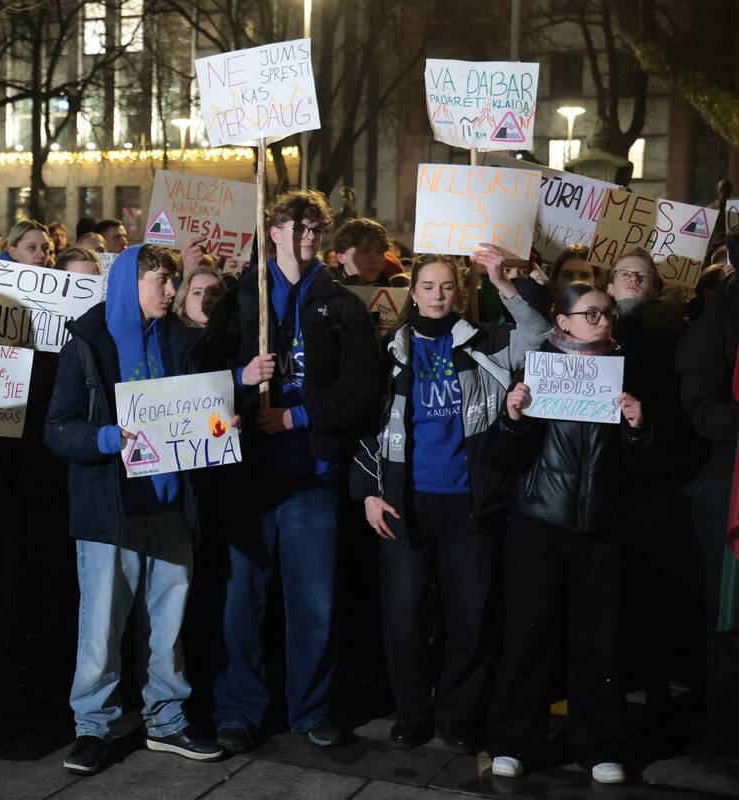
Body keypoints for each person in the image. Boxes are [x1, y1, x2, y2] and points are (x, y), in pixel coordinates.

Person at [204, 190, 384, 753]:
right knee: (242, 601)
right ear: (274, 231)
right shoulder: (240, 299)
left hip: (312, 474)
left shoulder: (342, 305)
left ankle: (311, 709)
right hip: (249, 478)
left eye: (315, 229)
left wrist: (299, 415)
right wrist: (241, 374)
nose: (307, 237)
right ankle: (239, 710)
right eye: (297, 227)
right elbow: (198, 372)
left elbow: (363, 390)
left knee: (314, 602)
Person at [352, 249, 550, 753]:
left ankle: (457, 715)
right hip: (404, 502)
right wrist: (370, 494)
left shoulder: (485, 342)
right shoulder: (388, 351)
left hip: (472, 503)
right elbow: (365, 425)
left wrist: (503, 282)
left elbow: (540, 336)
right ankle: (412, 715)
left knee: (470, 615)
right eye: (428, 286)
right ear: (412, 292)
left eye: (446, 287)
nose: (437, 296)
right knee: (404, 616)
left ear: (459, 292)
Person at [45, 244, 224, 775]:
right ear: (130, 284)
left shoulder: (181, 339)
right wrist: (104, 437)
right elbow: (58, 427)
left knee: (167, 624)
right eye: (162, 282)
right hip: (111, 509)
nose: (172, 292)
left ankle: (167, 720)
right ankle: (94, 726)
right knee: (101, 627)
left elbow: (199, 411)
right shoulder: (87, 341)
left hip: (169, 505)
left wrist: (221, 426)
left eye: (173, 281)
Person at [484, 283, 652, 783]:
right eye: (592, 313)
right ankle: (515, 740)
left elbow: (644, 464)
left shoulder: (627, 367)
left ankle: (599, 744)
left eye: (607, 313)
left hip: (602, 529)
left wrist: (640, 426)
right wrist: (513, 417)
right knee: (529, 636)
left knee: (597, 642)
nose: (603, 320)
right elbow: (505, 458)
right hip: (539, 525)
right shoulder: (538, 366)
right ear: (562, 321)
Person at [605, 250, 699, 734]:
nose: (631, 281)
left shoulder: (672, 333)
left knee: (655, 590)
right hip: (606, 479)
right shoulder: (593, 323)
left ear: (656, 286)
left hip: (654, 477)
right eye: (622, 273)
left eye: (640, 275)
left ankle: (658, 687)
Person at [678, 233, 739, 760]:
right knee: (728, 615)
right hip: (729, 490)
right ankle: (726, 734)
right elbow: (702, 412)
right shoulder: (713, 329)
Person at [334, 217, 391, 287]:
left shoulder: (399, 295)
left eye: (379, 252)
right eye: (365, 251)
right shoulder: (323, 293)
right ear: (341, 257)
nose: (374, 260)